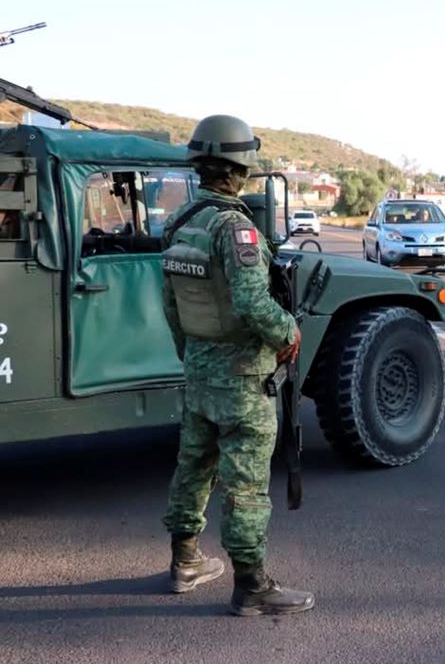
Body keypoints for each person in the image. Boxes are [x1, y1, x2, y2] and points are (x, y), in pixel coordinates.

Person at [160, 114, 314, 617]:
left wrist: (192, 352)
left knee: (194, 466)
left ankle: (185, 561)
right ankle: (251, 586)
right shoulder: (237, 229)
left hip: (200, 366)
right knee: (245, 480)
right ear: (241, 164)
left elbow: (171, 305)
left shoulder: (180, 224)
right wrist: (288, 331)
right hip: (243, 376)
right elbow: (251, 304)